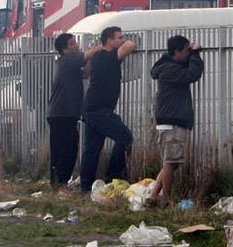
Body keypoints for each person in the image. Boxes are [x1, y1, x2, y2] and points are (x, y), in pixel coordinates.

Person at [146, 35, 203, 208]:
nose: (189, 52)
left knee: (171, 162)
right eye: (186, 50)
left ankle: (154, 196)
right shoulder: (170, 70)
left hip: (171, 121)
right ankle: (165, 199)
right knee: (171, 163)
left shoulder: (167, 66)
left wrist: (190, 54)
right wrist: (195, 55)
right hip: (172, 122)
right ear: (177, 52)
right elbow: (192, 74)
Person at [79, 26, 136, 192]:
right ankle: (113, 177)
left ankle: (86, 187)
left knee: (92, 148)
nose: (122, 40)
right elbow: (130, 45)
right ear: (109, 41)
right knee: (125, 137)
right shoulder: (107, 56)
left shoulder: (100, 56)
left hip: (93, 108)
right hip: (99, 109)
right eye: (119, 37)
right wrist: (126, 42)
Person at [46, 32, 85, 189]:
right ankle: (59, 182)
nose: (76, 45)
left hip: (65, 114)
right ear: (65, 49)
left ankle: (58, 182)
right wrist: (98, 49)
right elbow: (85, 56)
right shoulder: (68, 60)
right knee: (65, 149)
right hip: (61, 113)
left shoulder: (70, 64)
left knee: (67, 148)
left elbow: (86, 70)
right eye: (72, 44)